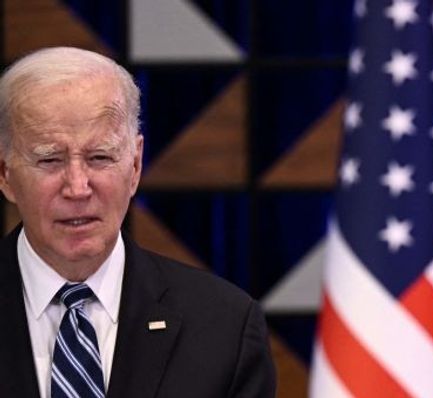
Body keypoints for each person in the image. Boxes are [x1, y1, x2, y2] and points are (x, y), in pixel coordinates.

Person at [0, 47, 275, 397]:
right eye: (50, 160)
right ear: (5, 173)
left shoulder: (225, 327)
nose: (78, 187)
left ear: (134, 166)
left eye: (100, 157)